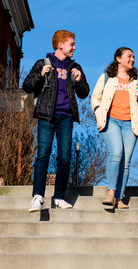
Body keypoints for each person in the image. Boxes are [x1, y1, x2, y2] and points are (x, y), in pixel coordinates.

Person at [22, 30, 89, 212]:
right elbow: (26, 86)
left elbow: (84, 93)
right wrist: (40, 75)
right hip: (46, 115)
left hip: (66, 117)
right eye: (71, 44)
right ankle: (38, 196)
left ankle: (59, 197)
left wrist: (79, 80)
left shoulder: (75, 67)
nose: (74, 47)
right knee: (43, 153)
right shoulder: (43, 63)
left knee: (64, 158)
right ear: (60, 45)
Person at [91, 47, 138, 209]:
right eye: (129, 56)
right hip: (111, 121)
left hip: (130, 123)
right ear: (118, 58)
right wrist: (98, 111)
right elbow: (95, 97)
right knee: (116, 153)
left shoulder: (136, 80)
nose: (132, 59)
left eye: (134, 57)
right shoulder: (106, 78)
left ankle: (119, 198)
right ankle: (110, 193)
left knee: (126, 161)